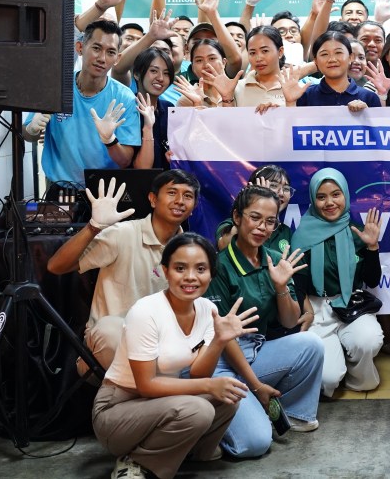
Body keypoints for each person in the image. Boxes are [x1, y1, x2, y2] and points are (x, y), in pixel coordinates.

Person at [92, 232, 255, 479]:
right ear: (166, 271)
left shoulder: (207, 309)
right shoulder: (146, 311)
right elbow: (146, 385)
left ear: (211, 274)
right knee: (199, 408)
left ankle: (190, 451)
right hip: (117, 409)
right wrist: (210, 385)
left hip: (161, 403)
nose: (191, 277)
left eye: (201, 268)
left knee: (228, 397)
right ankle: (135, 462)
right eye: (180, 268)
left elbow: (199, 373)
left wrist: (219, 341)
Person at [206, 186, 325, 457]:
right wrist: (257, 387)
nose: (262, 227)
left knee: (311, 344)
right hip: (223, 362)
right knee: (256, 444)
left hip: (255, 351)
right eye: (255, 218)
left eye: (270, 221)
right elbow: (224, 340)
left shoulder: (274, 259)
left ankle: (291, 413)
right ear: (237, 217)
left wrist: (281, 287)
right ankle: (207, 431)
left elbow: (290, 319)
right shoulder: (218, 266)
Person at [47, 169, 200, 371]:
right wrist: (93, 227)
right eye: (172, 193)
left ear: (194, 207)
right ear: (153, 199)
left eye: (187, 196)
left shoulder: (190, 251)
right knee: (110, 329)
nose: (180, 200)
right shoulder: (123, 234)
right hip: (111, 345)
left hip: (160, 349)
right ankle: (159, 388)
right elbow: (56, 266)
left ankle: (151, 392)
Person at [290, 168, 385, 396]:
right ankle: (336, 368)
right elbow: (298, 286)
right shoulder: (301, 237)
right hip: (316, 309)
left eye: (336, 194)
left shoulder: (356, 232)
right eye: (321, 197)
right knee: (328, 381)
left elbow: (372, 280)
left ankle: (356, 377)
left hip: (351, 304)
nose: (329, 202)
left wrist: (372, 247)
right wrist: (306, 311)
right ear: (313, 199)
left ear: (345, 196)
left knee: (369, 341)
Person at [23, 20, 141, 188]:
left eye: (110, 52)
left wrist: (110, 140)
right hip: (59, 187)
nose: (102, 58)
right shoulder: (56, 87)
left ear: (117, 58)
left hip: (105, 191)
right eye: (96, 48)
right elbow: (28, 135)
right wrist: (32, 128)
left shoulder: (124, 98)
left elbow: (125, 161)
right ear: (80, 48)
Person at [287, 31, 381, 110]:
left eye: (338, 52)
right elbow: (290, 130)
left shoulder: (369, 97)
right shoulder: (305, 96)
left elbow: (378, 131)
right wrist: (290, 102)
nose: (332, 59)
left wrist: (367, 114)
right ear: (316, 61)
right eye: (324, 54)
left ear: (350, 57)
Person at [131, 47, 173, 169]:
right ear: (137, 74)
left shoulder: (169, 108)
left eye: (166, 73)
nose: (160, 78)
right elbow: (142, 170)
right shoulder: (128, 109)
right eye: (154, 71)